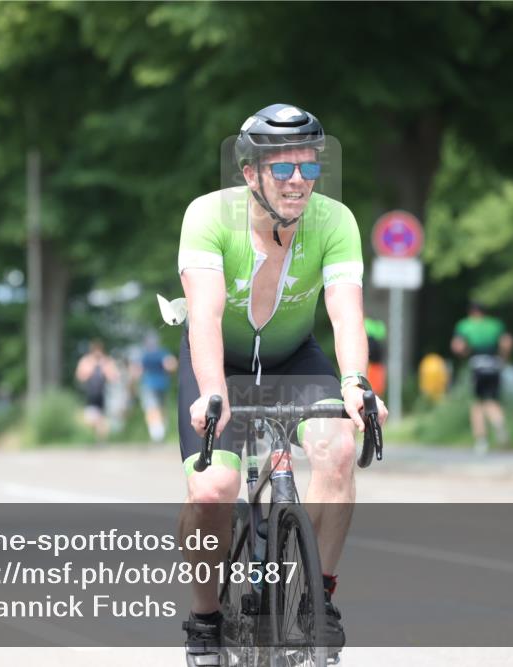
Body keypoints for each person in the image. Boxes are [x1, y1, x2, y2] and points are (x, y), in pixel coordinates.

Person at [176, 103, 387, 665]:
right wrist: (211, 391)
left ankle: (319, 598)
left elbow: (345, 313)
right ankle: (204, 620)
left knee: (339, 448)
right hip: (222, 361)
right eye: (284, 169)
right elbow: (204, 314)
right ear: (251, 174)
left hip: (295, 358)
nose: (299, 182)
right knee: (211, 491)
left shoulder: (335, 221)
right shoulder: (209, 216)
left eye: (310, 169)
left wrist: (355, 384)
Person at [451, 301, 513, 455]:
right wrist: (503, 358)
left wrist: (465, 353)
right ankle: (499, 425)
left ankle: (481, 441)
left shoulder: (465, 325)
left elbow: (457, 346)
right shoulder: (495, 325)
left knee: (477, 404)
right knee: (492, 400)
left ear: (472, 312)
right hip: (494, 364)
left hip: (477, 364)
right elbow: (507, 342)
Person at [131, 332, 178, 442]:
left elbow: (137, 370)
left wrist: (133, 383)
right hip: (162, 384)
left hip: (149, 385)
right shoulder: (162, 352)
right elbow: (171, 365)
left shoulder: (144, 354)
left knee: (151, 407)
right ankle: (160, 430)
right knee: (161, 407)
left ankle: (157, 432)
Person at [74, 339, 119, 440]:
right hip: (91, 393)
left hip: (103, 393)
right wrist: (91, 369)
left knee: (102, 418)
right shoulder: (86, 361)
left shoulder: (106, 361)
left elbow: (114, 377)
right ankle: (98, 434)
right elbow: (80, 376)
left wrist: (105, 370)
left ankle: (101, 440)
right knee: (90, 419)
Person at [364, 317, 387, 397]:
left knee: (373, 390)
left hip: (374, 367)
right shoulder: (376, 341)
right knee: (374, 391)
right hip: (375, 367)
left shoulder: (371, 341)